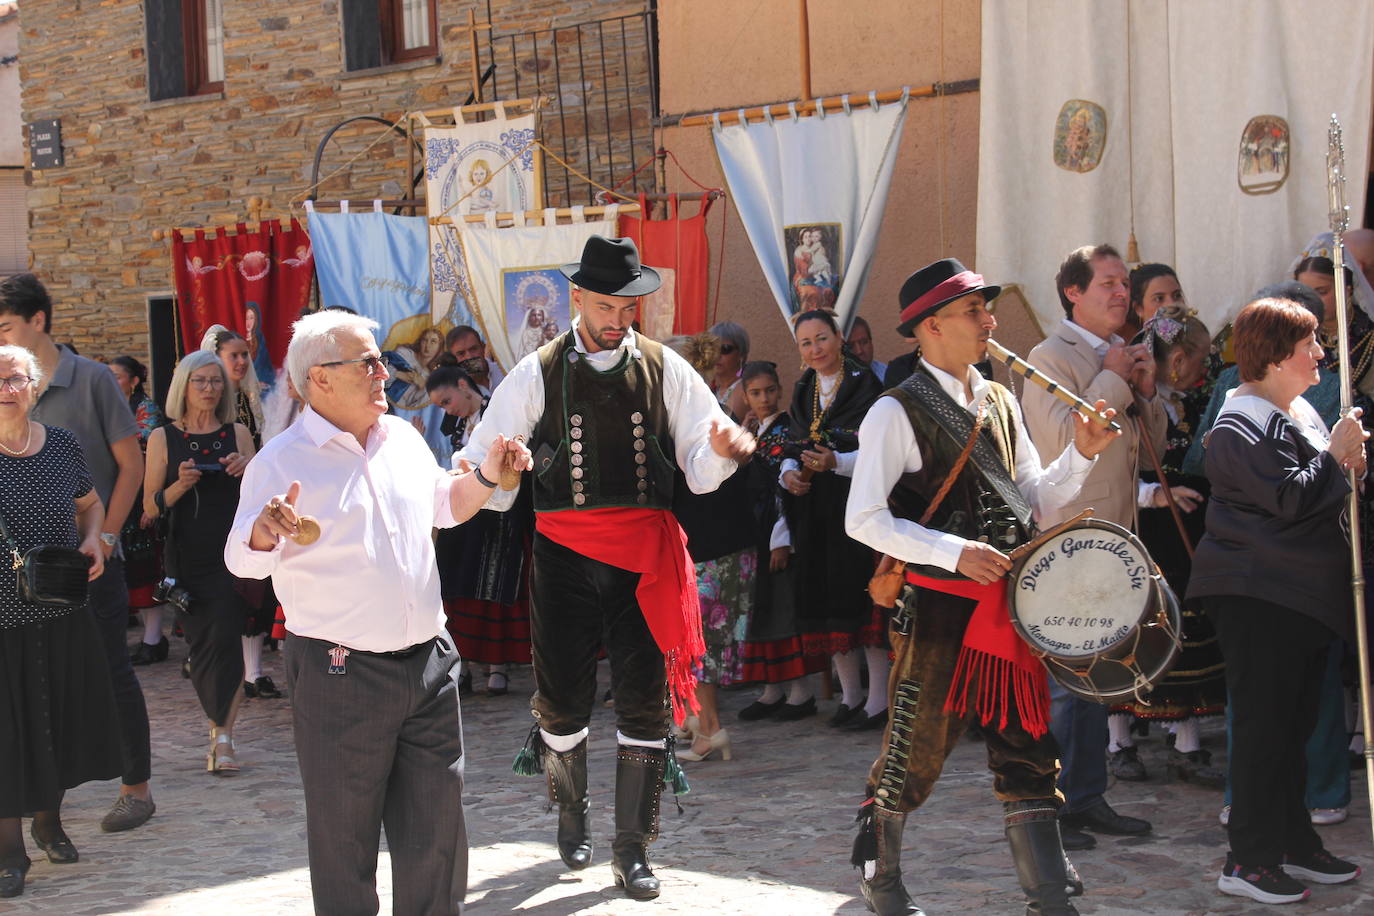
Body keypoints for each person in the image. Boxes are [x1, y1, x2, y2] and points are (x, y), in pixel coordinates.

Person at [459, 235, 755, 900]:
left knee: (646, 704)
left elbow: (701, 472)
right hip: (562, 554)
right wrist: (502, 471)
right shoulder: (536, 371)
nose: (618, 319)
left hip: (645, 561)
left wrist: (729, 450)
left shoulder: (665, 369)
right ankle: (571, 808)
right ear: (576, 298)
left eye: (627, 306)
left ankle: (633, 850)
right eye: (604, 305)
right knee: (561, 704)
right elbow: (487, 468)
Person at [225, 309, 530, 915]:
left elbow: (445, 504)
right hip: (340, 672)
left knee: (437, 834)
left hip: (430, 664)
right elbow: (242, 561)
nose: (382, 372)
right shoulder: (280, 462)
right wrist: (264, 531)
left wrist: (489, 475)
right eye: (365, 362)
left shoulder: (405, 439)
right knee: (345, 841)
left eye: (378, 360)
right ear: (319, 380)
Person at [844, 258, 1119, 916]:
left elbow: (1030, 497)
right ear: (930, 327)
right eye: (973, 311)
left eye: (986, 308)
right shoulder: (895, 410)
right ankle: (880, 880)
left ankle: (1050, 900)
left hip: (1006, 606)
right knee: (914, 754)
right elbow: (864, 520)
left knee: (1027, 746)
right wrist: (953, 550)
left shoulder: (998, 398)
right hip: (939, 609)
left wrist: (1080, 451)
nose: (989, 320)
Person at [1189, 297, 1366, 904]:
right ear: (1274, 354)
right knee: (1264, 729)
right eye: (1310, 342)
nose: (1321, 353)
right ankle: (1248, 859)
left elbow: (1321, 488)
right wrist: (1338, 458)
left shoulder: (1294, 413)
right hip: (1256, 591)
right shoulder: (1241, 421)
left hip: (1297, 594)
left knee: (1296, 725)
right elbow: (1289, 499)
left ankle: (1294, 841)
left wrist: (1346, 465)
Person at [1020, 244, 1166, 850]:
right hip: (1069, 542)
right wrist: (1111, 373)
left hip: (1114, 542)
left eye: (1125, 284)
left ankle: (1087, 798)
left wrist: (1147, 389)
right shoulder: (1046, 356)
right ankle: (1047, 810)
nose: (1121, 293)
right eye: (1107, 283)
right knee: (1064, 683)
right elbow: (1060, 439)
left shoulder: (1121, 354)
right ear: (1072, 293)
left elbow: (1146, 442)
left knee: (1095, 680)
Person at [0, 273, 156, 833]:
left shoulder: (90, 380)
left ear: (37, 321)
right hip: (14, 589)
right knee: (28, 693)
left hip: (86, 568)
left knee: (107, 673)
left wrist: (104, 538)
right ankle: (36, 814)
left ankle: (135, 789)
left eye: (5, 326)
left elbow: (130, 466)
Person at [0, 344, 122, 898]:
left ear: (36, 385)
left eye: (16, 379)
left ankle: (49, 823)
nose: (7, 389)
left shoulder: (61, 445)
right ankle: (8, 852)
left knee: (57, 718)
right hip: (2, 621)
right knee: (8, 731)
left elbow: (90, 503)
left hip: (60, 607)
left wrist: (95, 537)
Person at [1106, 305, 1225, 787]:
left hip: (1187, 533)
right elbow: (1111, 476)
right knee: (1137, 632)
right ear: (1176, 359)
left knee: (1187, 632)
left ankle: (1186, 744)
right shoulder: (1129, 402)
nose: (1205, 368)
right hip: (1145, 529)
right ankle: (1119, 741)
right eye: (1199, 359)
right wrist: (1159, 493)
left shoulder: (1192, 404)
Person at [144, 351, 256, 774]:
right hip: (185, 558)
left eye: (215, 382)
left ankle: (223, 737)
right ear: (184, 387)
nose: (209, 389)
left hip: (230, 555)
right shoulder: (161, 439)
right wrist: (179, 485)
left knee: (226, 638)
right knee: (202, 646)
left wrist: (248, 470)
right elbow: (149, 508)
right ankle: (217, 730)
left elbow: (260, 498)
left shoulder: (238, 433)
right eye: (200, 381)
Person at [780, 309, 888, 730]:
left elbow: (881, 451)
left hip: (855, 505)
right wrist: (789, 472)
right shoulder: (804, 386)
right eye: (806, 343)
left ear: (840, 337)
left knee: (861, 601)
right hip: (815, 510)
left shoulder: (867, 386)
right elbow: (793, 440)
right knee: (828, 600)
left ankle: (878, 701)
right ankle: (850, 697)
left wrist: (837, 461)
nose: (815, 349)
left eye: (821, 338)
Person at [665, 333, 754, 763]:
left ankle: (710, 729)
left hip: (712, 548)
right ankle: (694, 721)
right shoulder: (704, 415)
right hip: (716, 544)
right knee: (694, 642)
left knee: (701, 644)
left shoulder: (699, 419)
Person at [426, 359, 532, 696]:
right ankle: (464, 666)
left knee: (496, 584)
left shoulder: (496, 411)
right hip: (464, 511)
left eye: (446, 401)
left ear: (462, 385)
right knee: (459, 584)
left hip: (500, 514)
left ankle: (497, 668)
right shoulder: (455, 425)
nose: (447, 410)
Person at [737, 360, 818, 719]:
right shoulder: (753, 432)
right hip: (753, 531)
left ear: (780, 390)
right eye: (755, 392)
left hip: (777, 532)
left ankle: (801, 692)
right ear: (745, 396)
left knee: (786, 610)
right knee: (763, 610)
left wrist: (781, 538)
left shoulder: (788, 431)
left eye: (770, 390)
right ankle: (772, 689)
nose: (764, 398)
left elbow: (784, 492)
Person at [203, 325, 280, 700]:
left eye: (244, 355)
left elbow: (261, 451)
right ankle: (218, 662)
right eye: (232, 355)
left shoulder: (251, 399)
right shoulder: (210, 400)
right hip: (212, 500)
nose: (240, 361)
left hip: (245, 496)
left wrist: (249, 461)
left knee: (252, 587)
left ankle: (254, 672)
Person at [109, 355, 169, 666]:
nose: (111, 382)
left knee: (147, 568)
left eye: (117, 376)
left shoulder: (146, 409)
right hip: (119, 496)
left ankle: (154, 639)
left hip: (141, 496)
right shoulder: (108, 408)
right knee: (128, 568)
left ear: (133, 381)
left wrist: (151, 502)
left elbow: (147, 448)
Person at [1118, 263, 1186, 343]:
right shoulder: (1132, 351)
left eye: (1177, 295)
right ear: (1139, 308)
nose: (1171, 304)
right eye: (1159, 298)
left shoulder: (1198, 339)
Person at [707, 320, 750, 420]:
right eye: (712, 349)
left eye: (725, 349)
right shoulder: (714, 390)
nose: (717, 355)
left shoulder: (746, 389)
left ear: (741, 353)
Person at [445, 324, 505, 390]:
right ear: (453, 359)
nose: (469, 357)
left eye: (473, 349)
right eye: (461, 354)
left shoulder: (504, 370)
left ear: (482, 347)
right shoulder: (459, 393)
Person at [847, 316, 888, 382]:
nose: (859, 351)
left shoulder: (886, 374)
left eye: (864, 342)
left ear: (871, 342)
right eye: (850, 346)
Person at [244, 301, 275, 389]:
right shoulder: (239, 340)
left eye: (251, 318)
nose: (249, 322)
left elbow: (263, 364)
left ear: (256, 319)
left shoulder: (260, 339)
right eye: (246, 318)